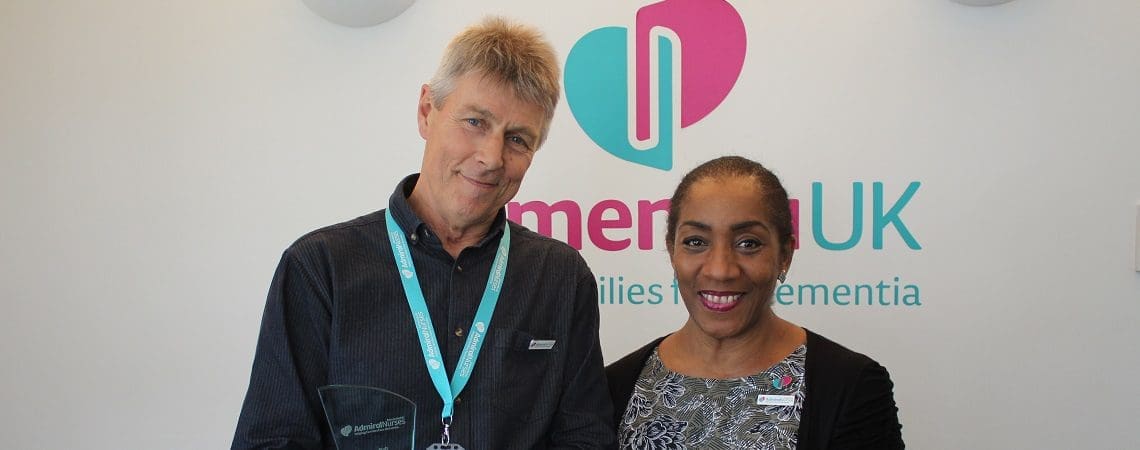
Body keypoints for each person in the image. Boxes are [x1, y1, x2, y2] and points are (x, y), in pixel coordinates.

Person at [232, 17, 615, 449]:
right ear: (427, 112)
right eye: (475, 122)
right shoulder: (320, 269)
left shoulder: (561, 277)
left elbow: (585, 438)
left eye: (517, 139)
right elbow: (272, 440)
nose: (490, 157)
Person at [606, 156, 904, 449]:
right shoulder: (616, 385)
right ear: (672, 250)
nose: (720, 270)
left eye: (748, 243)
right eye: (696, 242)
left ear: (785, 254)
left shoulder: (850, 386)